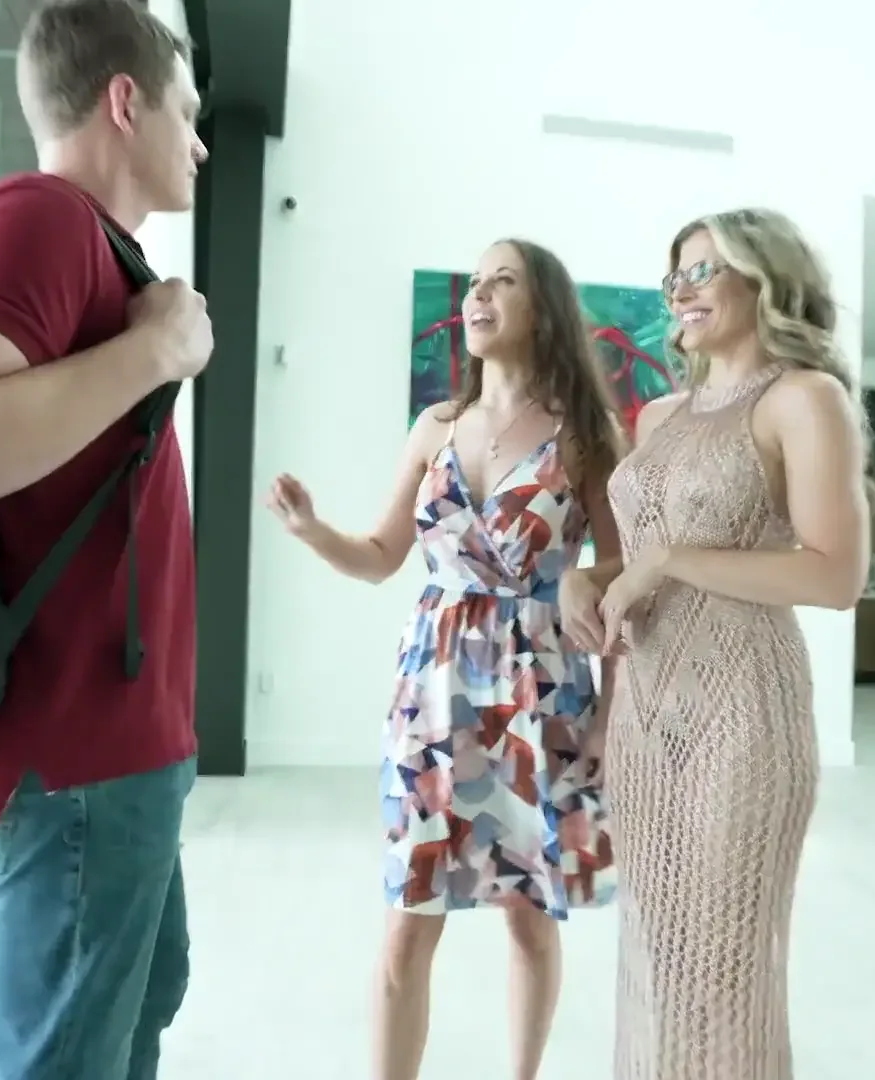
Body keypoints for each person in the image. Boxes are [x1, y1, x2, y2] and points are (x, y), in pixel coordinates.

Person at [0, 2, 211, 1077]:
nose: (199, 144)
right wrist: (154, 353)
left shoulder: (94, 247)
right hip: (72, 758)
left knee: (130, 1018)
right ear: (125, 103)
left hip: (114, 751)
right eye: (187, 113)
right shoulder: (39, 220)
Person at [265, 239, 624, 1080]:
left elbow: (622, 577)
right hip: (433, 694)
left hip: (541, 692)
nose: (478, 294)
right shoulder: (435, 427)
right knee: (408, 917)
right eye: (475, 282)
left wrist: (610, 714)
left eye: (504, 280)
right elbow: (381, 555)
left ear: (544, 308)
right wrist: (313, 530)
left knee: (529, 917)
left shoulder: (587, 434)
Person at [564, 208, 870, 1079]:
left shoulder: (804, 398)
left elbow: (835, 576)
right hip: (646, 718)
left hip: (743, 718)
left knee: (726, 974)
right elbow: (644, 557)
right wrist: (588, 578)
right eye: (676, 275)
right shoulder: (661, 416)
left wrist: (664, 561)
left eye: (705, 269)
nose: (682, 290)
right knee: (654, 961)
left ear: (764, 277)